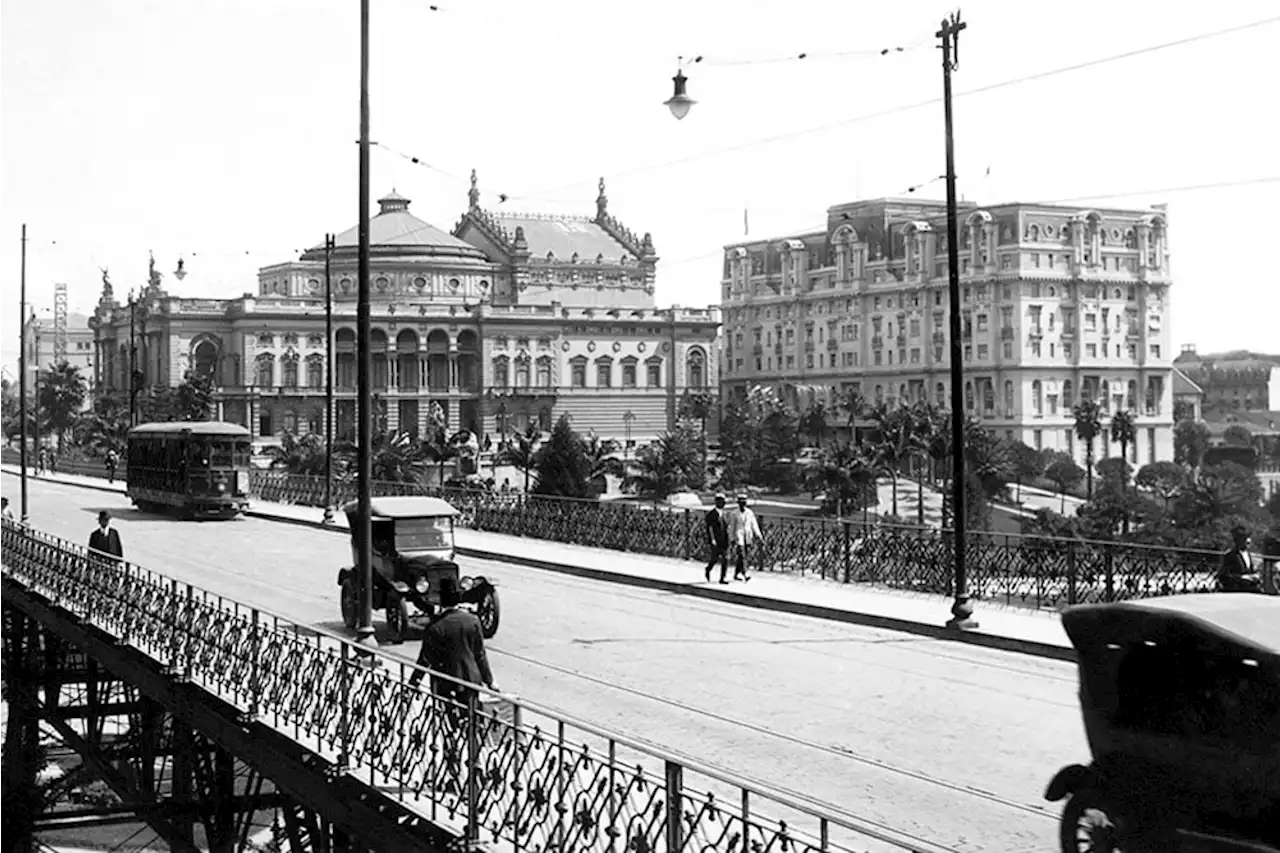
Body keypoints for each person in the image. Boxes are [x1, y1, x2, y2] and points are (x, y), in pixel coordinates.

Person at [409, 576, 495, 702]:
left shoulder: (435, 627)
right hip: (471, 680)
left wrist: (414, 682)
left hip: (446, 684)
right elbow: (480, 654)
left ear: (440, 601)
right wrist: (490, 681)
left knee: (450, 719)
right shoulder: (473, 621)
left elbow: (425, 659)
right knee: (471, 716)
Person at [728, 494, 762, 582]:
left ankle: (736, 574)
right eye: (741, 502)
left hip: (747, 536)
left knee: (744, 555)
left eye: (744, 502)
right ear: (738, 503)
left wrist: (758, 535)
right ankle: (745, 572)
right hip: (738, 535)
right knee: (742, 554)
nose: (743, 504)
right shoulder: (734, 513)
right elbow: (732, 527)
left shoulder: (749, 513)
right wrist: (731, 538)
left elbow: (754, 524)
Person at [1218, 525, 1260, 593]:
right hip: (1236, 589)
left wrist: (1255, 575)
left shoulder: (1248, 554)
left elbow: (1250, 570)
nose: (1248, 541)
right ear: (1238, 540)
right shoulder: (1230, 555)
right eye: (1245, 538)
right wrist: (1241, 577)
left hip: (1250, 588)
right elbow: (1224, 575)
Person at [704, 493, 731, 584]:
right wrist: (712, 539)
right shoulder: (711, 514)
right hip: (716, 540)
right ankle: (708, 569)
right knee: (714, 558)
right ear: (717, 502)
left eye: (724, 502)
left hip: (724, 540)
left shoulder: (725, 514)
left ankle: (722, 578)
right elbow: (709, 528)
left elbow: (726, 527)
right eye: (721, 502)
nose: (723, 504)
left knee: (726, 558)